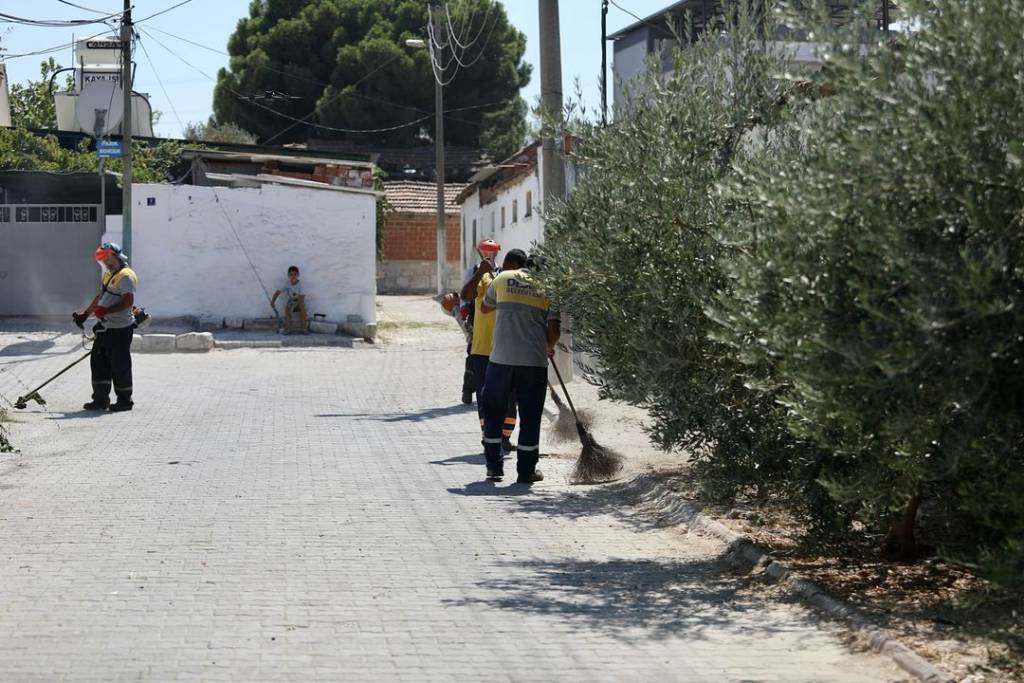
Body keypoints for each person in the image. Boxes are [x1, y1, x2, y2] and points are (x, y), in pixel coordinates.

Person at [480, 251, 560, 484]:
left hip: (500, 360)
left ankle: (494, 467)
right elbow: (554, 331)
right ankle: (526, 471)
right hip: (533, 363)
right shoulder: (549, 288)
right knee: (530, 416)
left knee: (494, 412)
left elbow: (485, 308)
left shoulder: (503, 278)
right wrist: (548, 345)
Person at [461, 239, 517, 453]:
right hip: (482, 346)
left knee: (511, 396)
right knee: (485, 395)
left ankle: (504, 437)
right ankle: (488, 436)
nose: (490, 255)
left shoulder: (507, 279)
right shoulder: (480, 276)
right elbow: (465, 296)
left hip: (508, 348)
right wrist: (480, 273)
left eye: (493, 252)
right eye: (486, 252)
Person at [75, 242, 138, 412]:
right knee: (98, 362)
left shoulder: (125, 276)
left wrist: (107, 310)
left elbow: (128, 302)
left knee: (119, 364)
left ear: (116, 256)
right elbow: (100, 296)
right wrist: (86, 314)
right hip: (104, 327)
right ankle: (100, 400)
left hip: (120, 329)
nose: (105, 262)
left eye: (107, 258)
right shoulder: (108, 274)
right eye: (102, 260)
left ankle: (125, 401)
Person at [440, 291, 475, 404]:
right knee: (471, 366)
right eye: (451, 298)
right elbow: (468, 326)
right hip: (474, 339)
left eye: (454, 296)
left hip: (481, 336)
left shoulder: (464, 302)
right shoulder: (459, 311)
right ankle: (467, 392)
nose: (453, 297)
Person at [271, 266, 308, 334]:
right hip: (291, 300)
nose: (293, 276)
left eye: (295, 274)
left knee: (302, 308)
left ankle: (304, 328)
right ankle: (288, 328)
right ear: (288, 275)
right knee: (287, 309)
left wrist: (296, 305)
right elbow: (278, 292)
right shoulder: (287, 284)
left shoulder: (301, 284)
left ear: (298, 275)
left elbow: (302, 297)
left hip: (299, 300)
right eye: (291, 274)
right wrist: (273, 301)